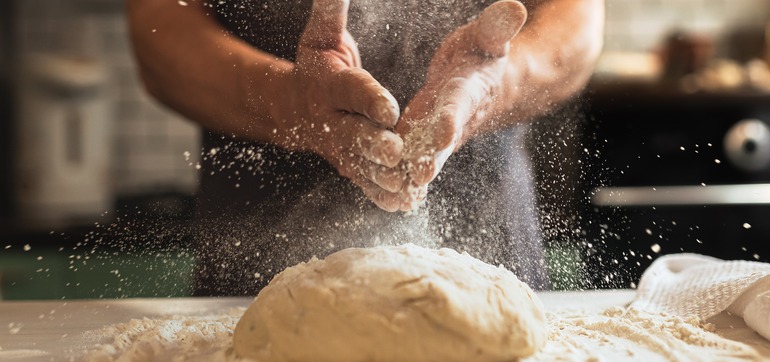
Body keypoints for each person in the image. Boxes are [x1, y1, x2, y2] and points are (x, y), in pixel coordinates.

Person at [125, 0, 604, 295]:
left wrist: (497, 83)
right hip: (252, 268)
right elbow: (157, 33)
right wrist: (287, 103)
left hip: (491, 252)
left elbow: (578, 21)